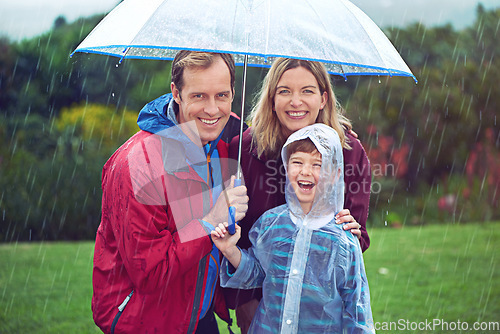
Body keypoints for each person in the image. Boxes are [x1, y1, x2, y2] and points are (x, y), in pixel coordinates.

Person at [91, 51, 249, 333]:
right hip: (146, 321)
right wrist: (210, 221)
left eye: (222, 96)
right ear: (176, 93)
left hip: (198, 316)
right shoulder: (138, 165)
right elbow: (150, 271)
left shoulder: (227, 143)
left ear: (233, 93)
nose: (212, 110)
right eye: (199, 96)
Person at [226, 58, 372, 332]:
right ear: (271, 99)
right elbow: (241, 235)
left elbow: (355, 238)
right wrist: (244, 301)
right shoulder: (244, 150)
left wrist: (352, 232)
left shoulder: (348, 152)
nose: (296, 101)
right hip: (262, 302)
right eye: (284, 91)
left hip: (320, 308)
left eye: (307, 90)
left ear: (323, 98)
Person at [213, 124, 375, 333]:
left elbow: (357, 310)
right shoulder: (270, 223)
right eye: (297, 162)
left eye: (318, 165)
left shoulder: (343, 238)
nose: (306, 171)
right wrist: (229, 250)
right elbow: (258, 274)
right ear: (286, 167)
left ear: (335, 174)